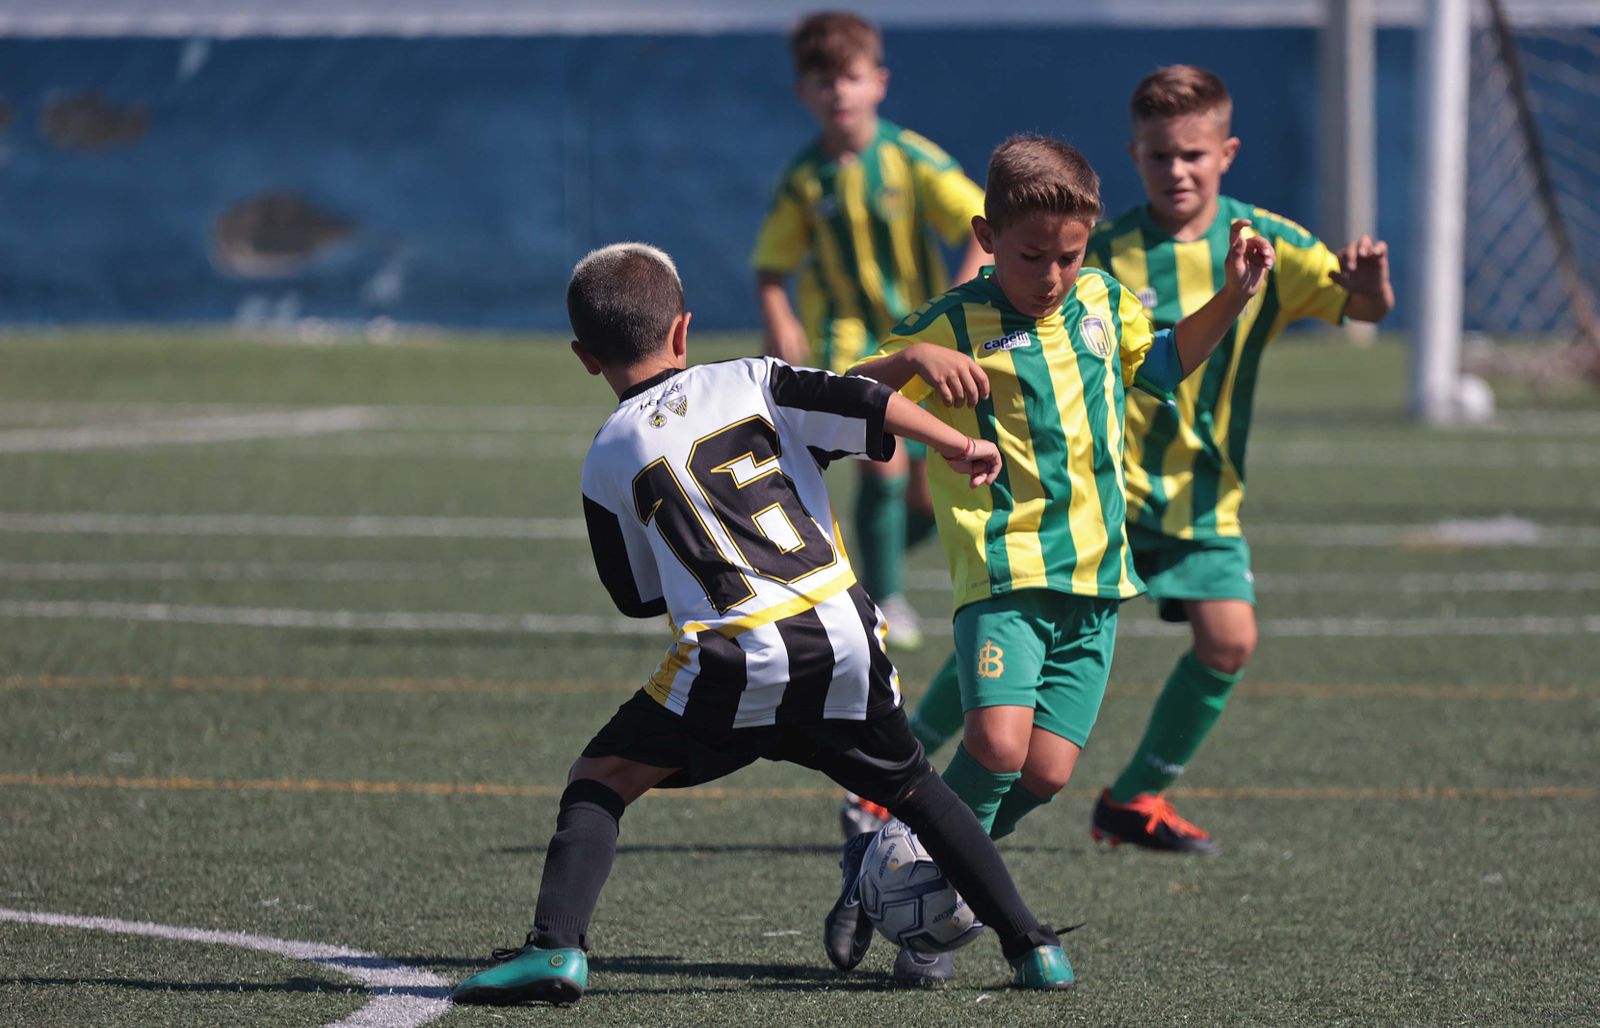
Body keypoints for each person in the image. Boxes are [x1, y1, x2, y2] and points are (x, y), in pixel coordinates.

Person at [450, 242, 1073, 1008]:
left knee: (600, 779)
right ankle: (1033, 946)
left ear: (585, 358)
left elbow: (637, 597)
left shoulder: (607, 453)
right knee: (915, 787)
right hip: (844, 633)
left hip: (733, 657)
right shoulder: (750, 379)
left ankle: (555, 950)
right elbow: (863, 402)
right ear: (683, 329)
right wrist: (956, 440)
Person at [894, 67, 1396, 854]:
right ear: (1135, 156)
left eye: (1193, 154)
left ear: (1226, 152)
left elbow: (1342, 312)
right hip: (1077, 508)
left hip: (1175, 508)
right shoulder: (1090, 260)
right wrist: (929, 375)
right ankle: (912, 805)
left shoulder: (1245, 250)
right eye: (1159, 156)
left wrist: (1346, 291)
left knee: (1205, 656)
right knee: (1002, 693)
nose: (1177, 171)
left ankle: (1117, 804)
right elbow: (881, 370)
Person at [849, 134, 1275, 980]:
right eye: (1030, 256)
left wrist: (1233, 294)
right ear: (986, 235)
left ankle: (903, 877)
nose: (1050, 274)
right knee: (998, 749)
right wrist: (908, 358)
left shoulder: (1102, 300)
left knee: (1045, 773)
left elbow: (1160, 365)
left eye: (1068, 257)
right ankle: (932, 920)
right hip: (1004, 573)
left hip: (1097, 580)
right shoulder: (953, 324)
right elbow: (842, 394)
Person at [753, 10, 987, 654]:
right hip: (847, 342)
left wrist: (959, 305)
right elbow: (772, 266)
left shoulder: (910, 160)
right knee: (882, 467)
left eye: (851, 79)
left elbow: (981, 227)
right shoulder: (804, 178)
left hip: (925, 337)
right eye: (823, 82)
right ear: (804, 93)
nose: (839, 94)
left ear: (878, 82)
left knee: (924, 490)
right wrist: (782, 320)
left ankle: (856, 575)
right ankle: (884, 603)